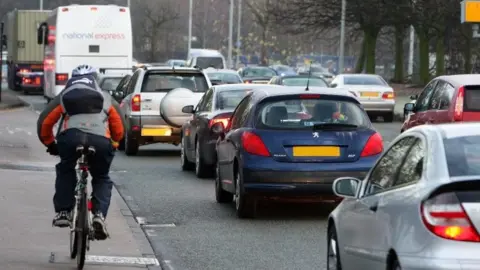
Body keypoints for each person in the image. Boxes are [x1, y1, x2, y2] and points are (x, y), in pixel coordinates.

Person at [36, 64, 125, 240]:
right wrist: (114, 142)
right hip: (100, 141)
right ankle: (98, 215)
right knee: (101, 177)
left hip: (70, 138)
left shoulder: (64, 96)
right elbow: (119, 126)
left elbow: (45, 122)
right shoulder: (105, 97)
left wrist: (50, 143)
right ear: (95, 80)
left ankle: (63, 212)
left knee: (66, 169)